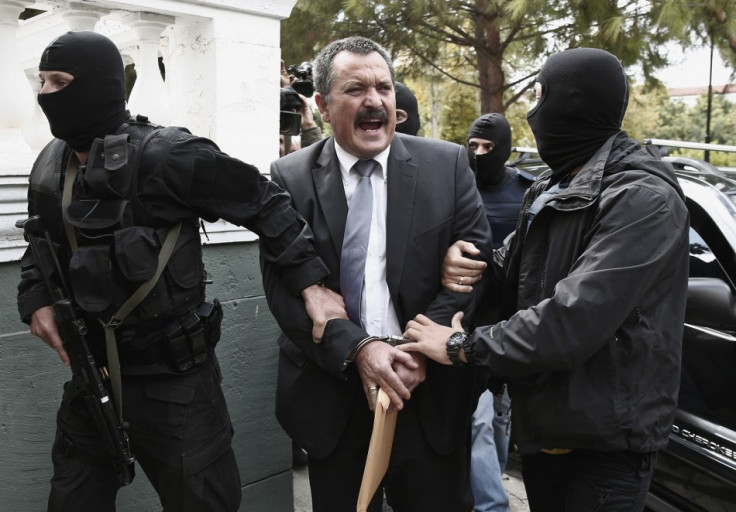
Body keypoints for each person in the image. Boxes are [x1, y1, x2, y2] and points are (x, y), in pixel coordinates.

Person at [17, 30, 335, 512]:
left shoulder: (168, 155)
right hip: (93, 376)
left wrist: (311, 285)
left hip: (177, 387)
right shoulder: (49, 167)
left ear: (100, 86)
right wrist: (35, 297)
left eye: (59, 82)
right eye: (41, 81)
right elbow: (38, 248)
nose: (44, 95)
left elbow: (266, 202)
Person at [401, 47, 689, 512]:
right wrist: (458, 256)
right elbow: (505, 268)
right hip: (546, 431)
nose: (532, 113)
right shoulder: (551, 187)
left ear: (569, 103)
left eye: (538, 97)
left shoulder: (642, 199)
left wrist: (460, 348)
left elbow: (573, 320)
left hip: (605, 447)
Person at [261, 36, 492, 512]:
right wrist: (360, 350)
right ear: (323, 105)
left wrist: (419, 350)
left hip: (425, 394)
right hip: (335, 397)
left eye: (383, 88)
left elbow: (474, 268)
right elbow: (286, 289)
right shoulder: (289, 177)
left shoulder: (446, 165)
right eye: (355, 89)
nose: (374, 101)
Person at [465, 113, 534, 512]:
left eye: (488, 148)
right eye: (473, 146)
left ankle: (492, 483)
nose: (479, 154)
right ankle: (491, 505)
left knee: (497, 420)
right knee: (478, 419)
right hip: (467, 321)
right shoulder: (456, 185)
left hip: (510, 322)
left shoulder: (526, 192)